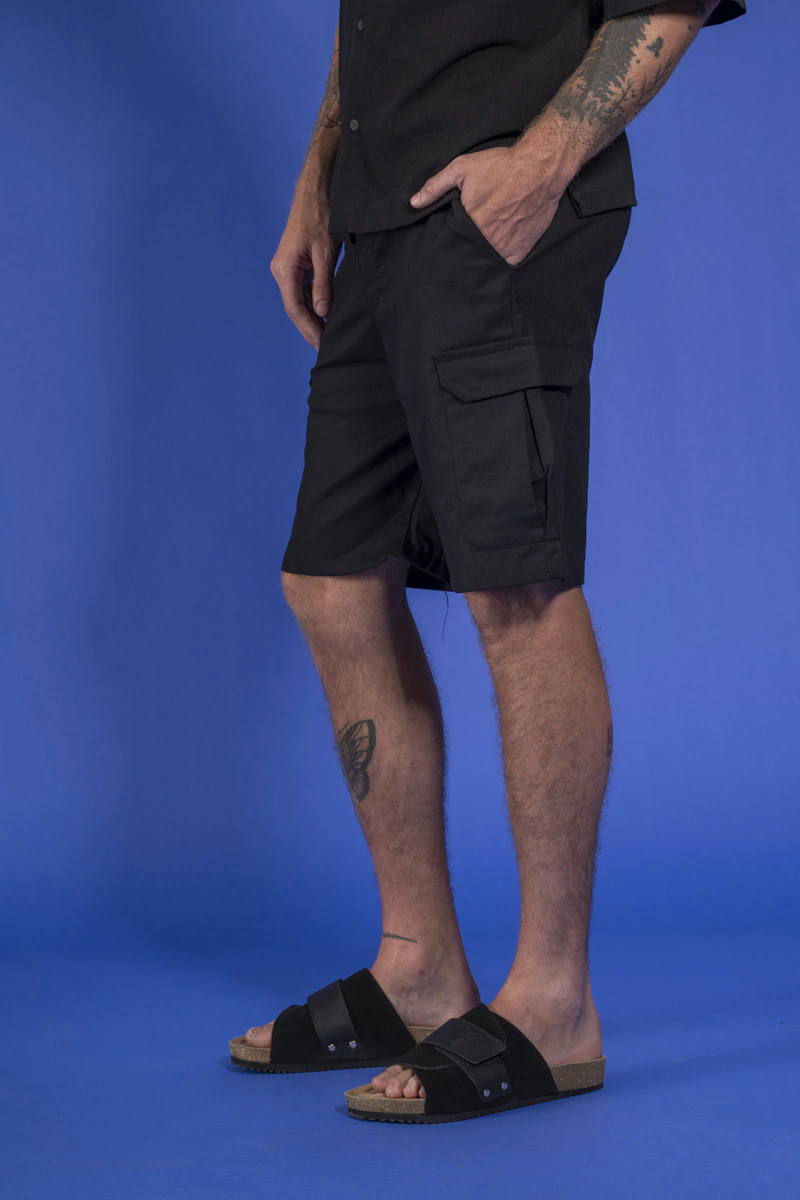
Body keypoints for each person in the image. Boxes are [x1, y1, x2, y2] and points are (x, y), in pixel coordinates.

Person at [229, 1, 746, 1123]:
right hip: (381, 213)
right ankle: (418, 968)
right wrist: (319, 183)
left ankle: (554, 1002)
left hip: (498, 207)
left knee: (515, 583)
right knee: (330, 579)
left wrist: (542, 162)